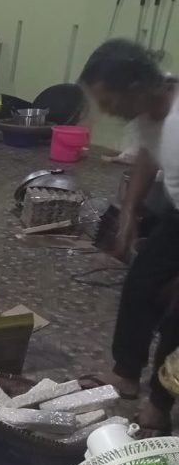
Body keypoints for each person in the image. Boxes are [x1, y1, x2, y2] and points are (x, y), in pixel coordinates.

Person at [79, 38, 179, 433]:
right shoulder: (149, 110)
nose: (106, 111)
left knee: (176, 311)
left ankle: (160, 402)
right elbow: (148, 157)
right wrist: (129, 214)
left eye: (109, 101)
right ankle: (125, 374)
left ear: (136, 88)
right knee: (140, 283)